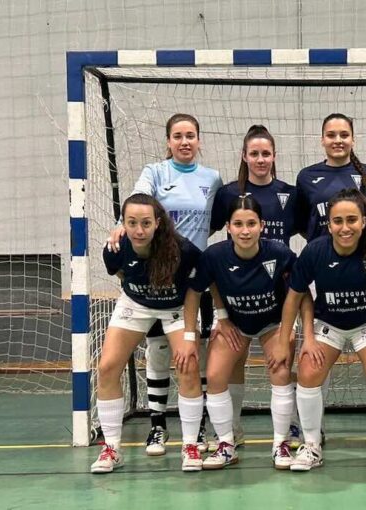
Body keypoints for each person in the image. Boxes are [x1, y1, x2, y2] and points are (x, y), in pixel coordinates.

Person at [107, 113, 223, 456]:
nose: (184, 142)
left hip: (191, 279)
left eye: (190, 136)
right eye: (178, 136)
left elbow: (214, 221)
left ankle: (196, 428)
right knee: (157, 351)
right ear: (168, 141)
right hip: (155, 278)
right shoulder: (155, 172)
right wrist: (122, 226)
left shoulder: (212, 178)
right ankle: (158, 426)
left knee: (194, 354)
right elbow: (138, 201)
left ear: (199, 140)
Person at [267, 188, 366, 472]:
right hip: (328, 325)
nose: (345, 227)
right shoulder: (315, 251)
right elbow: (294, 297)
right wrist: (286, 339)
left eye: (351, 220)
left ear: (363, 222)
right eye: (337, 221)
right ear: (328, 225)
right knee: (308, 371)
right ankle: (311, 445)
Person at [185, 195, 301, 470]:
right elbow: (195, 292)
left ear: (262, 226)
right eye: (238, 224)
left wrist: (287, 331)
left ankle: (281, 443)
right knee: (215, 375)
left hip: (274, 323)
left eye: (251, 224)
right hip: (235, 324)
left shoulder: (279, 253)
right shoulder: (214, 256)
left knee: (280, 371)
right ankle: (227, 443)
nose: (245, 230)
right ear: (228, 227)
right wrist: (199, 331)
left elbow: (300, 293)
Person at [91, 194, 204, 473]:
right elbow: (122, 275)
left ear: (157, 223)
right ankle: (112, 448)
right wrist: (145, 294)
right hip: (136, 304)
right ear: (123, 224)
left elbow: (196, 290)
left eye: (145, 223)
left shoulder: (183, 250)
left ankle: (190, 445)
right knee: (107, 367)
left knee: (188, 366)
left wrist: (190, 336)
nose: (139, 230)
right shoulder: (115, 249)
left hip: (177, 307)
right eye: (132, 223)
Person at [210, 124, 299, 448]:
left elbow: (310, 231)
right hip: (236, 298)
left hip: (276, 302)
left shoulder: (289, 194)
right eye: (254, 154)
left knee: (281, 365)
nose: (260, 159)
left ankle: (290, 429)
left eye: (266, 154)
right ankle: (230, 430)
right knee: (229, 365)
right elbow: (209, 238)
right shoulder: (227, 194)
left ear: (274, 156)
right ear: (244, 156)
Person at [295, 113, 366, 242]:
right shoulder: (306, 177)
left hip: (361, 252)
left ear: (353, 140)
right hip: (321, 253)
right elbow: (302, 224)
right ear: (322, 140)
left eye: (344, 135)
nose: (338, 140)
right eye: (331, 135)